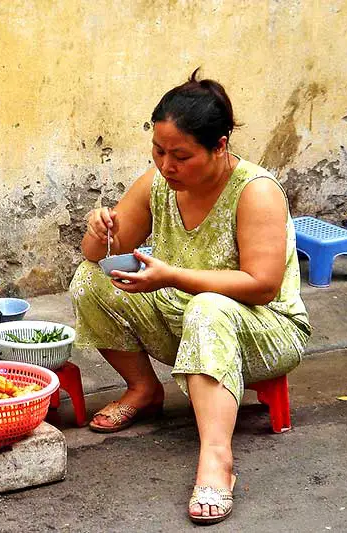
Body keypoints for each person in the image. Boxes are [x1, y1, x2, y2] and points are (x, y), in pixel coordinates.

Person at [69, 69, 311, 525]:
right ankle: (143, 391)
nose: (166, 165)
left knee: (208, 305)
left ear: (219, 146)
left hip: (264, 330)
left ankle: (217, 461)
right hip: (183, 318)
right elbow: (96, 257)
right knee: (90, 280)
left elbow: (263, 285)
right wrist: (99, 231)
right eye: (158, 151)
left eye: (181, 155)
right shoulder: (158, 182)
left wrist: (174, 276)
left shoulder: (255, 192)